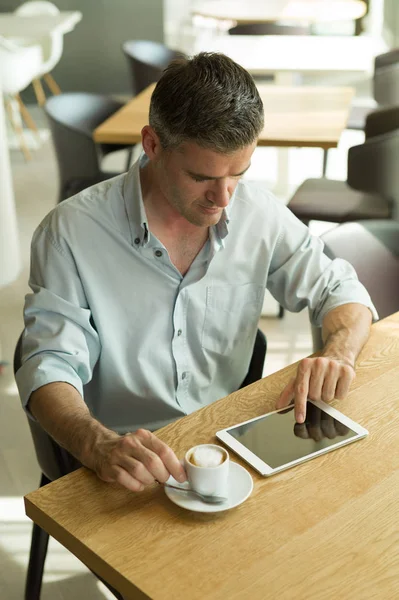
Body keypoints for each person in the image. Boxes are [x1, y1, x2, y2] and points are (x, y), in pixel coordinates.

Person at [16, 52, 376, 493]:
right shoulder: (70, 233)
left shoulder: (255, 211)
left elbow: (342, 289)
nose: (223, 198)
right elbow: (48, 366)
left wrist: (338, 353)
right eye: (201, 176)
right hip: (124, 460)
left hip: (227, 446)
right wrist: (95, 444)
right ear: (151, 144)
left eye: (238, 175)